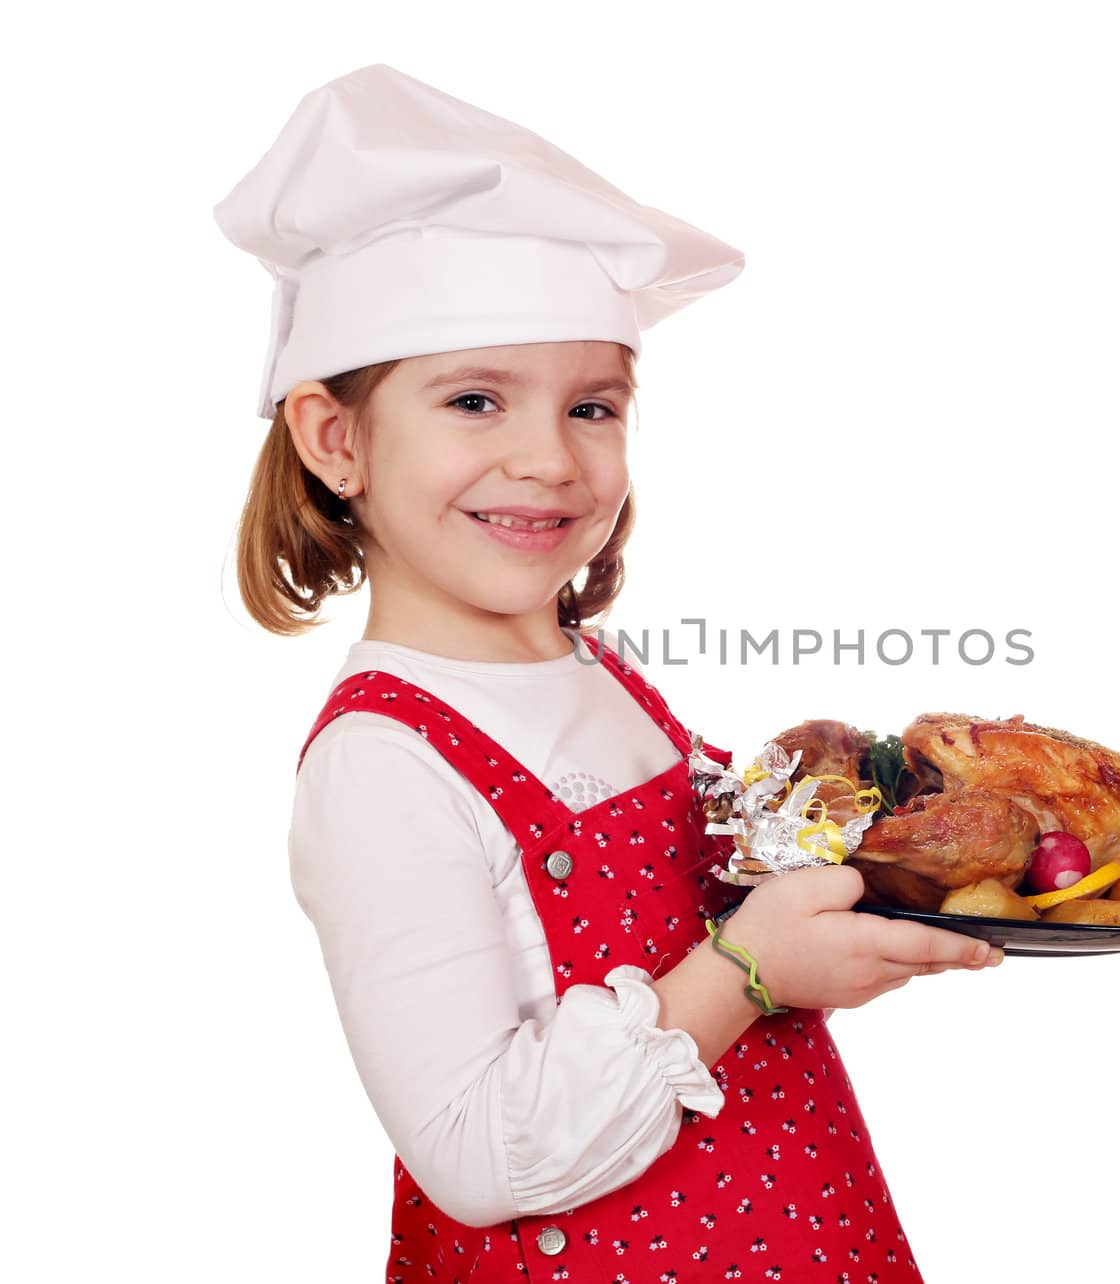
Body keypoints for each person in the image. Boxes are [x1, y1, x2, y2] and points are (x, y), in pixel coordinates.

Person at [217, 64, 1001, 1283]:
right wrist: (745, 972)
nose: (547, 457)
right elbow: (474, 1154)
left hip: (803, 1233)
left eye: (593, 407)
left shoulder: (605, 673)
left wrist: (848, 915)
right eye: (475, 400)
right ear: (336, 439)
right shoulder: (382, 765)